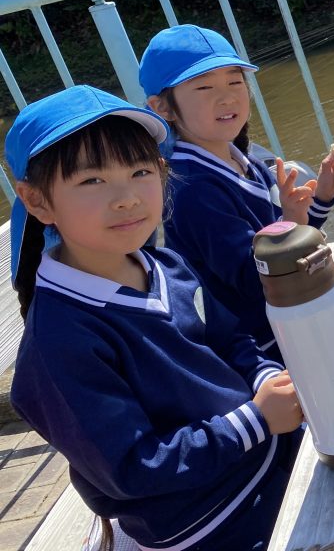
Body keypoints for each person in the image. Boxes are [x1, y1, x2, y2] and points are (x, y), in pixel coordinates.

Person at [6, 85, 304, 551]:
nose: (126, 198)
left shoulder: (165, 265)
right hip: (215, 519)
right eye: (92, 181)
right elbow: (132, 467)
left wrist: (268, 378)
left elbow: (230, 340)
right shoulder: (58, 342)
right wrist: (257, 420)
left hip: (264, 453)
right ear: (38, 201)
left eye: (141, 171)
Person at [138, 24, 334, 362]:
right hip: (262, 347)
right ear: (162, 108)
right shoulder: (192, 189)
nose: (227, 97)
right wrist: (292, 224)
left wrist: (322, 197)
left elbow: (288, 240)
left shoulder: (242, 159)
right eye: (204, 87)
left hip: (288, 314)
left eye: (235, 82)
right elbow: (257, 281)